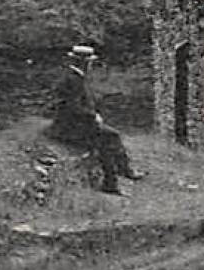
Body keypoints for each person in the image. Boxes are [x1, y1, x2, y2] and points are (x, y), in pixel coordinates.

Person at [49, 44, 143, 194]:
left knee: (110, 136)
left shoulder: (77, 77)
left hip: (78, 122)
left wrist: (92, 115)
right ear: (83, 62)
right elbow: (72, 107)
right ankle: (114, 181)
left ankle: (121, 173)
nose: (91, 65)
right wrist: (93, 116)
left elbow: (82, 104)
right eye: (89, 62)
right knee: (107, 139)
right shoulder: (71, 80)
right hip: (69, 127)